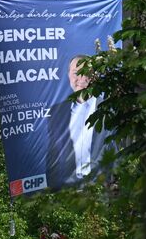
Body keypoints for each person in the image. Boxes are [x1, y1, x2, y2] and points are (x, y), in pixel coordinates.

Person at [47, 55, 110, 188]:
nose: (81, 79)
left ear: (93, 76)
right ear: (68, 75)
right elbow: (53, 151)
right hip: (67, 190)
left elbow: (115, 149)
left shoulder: (108, 109)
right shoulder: (56, 112)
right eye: (76, 73)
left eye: (86, 73)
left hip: (100, 187)